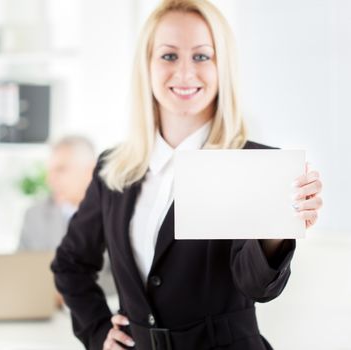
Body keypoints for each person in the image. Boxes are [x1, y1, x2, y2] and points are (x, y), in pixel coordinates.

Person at [51, 1, 323, 349]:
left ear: (221, 66)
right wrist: (98, 330)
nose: (184, 73)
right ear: (146, 65)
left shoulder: (253, 164)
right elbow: (70, 264)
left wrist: (275, 230)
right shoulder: (114, 168)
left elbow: (257, 287)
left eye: (201, 56)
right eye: (168, 56)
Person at [19, 136, 116, 296]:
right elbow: (18, 272)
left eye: (61, 169)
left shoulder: (115, 215)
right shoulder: (33, 216)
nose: (50, 179)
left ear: (91, 171)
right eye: (49, 171)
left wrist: (70, 291)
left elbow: (126, 281)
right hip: (46, 314)